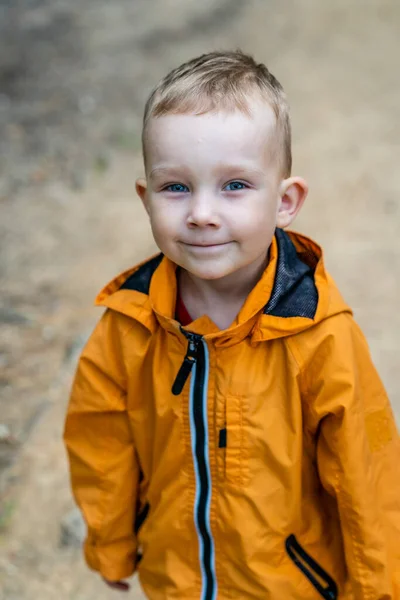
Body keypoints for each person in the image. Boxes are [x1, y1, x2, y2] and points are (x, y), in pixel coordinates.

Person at [63, 51, 400, 599]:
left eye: (235, 186)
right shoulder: (130, 325)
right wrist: (111, 543)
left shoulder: (319, 335)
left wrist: (377, 590)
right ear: (146, 200)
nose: (201, 213)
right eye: (176, 187)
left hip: (290, 585)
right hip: (176, 579)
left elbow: (368, 475)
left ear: (285, 201)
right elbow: (100, 443)